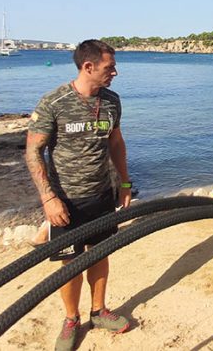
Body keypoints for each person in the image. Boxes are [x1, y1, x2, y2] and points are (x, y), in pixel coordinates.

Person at [25, 39, 132, 351]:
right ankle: (71, 319)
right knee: (70, 262)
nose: (115, 72)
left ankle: (98, 311)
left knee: (100, 254)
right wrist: (48, 198)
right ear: (88, 67)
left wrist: (124, 183)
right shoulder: (54, 102)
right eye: (109, 67)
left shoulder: (112, 100)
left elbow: (116, 143)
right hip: (65, 202)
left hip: (102, 195)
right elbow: (33, 152)